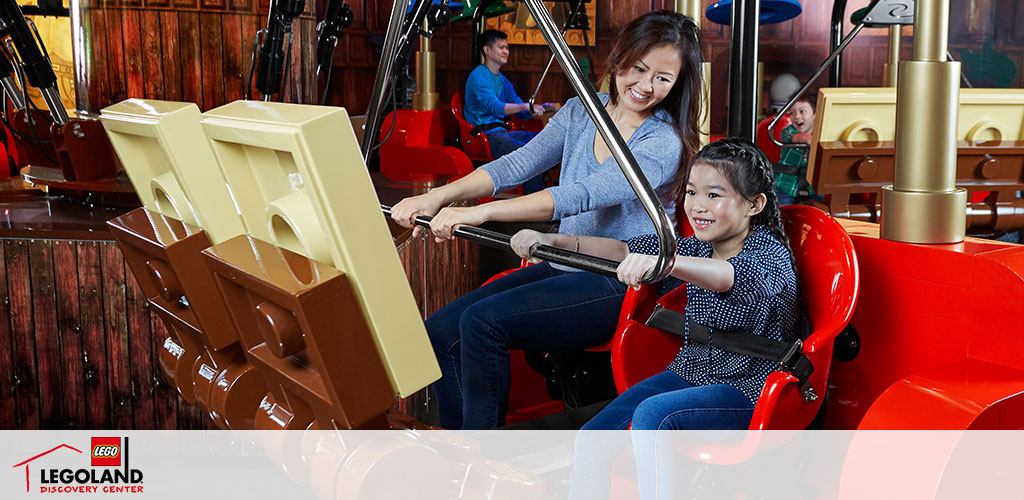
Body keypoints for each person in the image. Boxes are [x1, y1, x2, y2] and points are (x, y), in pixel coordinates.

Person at [390, 10, 705, 430]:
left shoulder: (660, 140)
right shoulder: (580, 113)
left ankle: (480, 459)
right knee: (441, 332)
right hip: (565, 263)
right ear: (620, 59)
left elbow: (579, 196)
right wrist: (441, 195)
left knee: (482, 325)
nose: (646, 86)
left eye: (663, 78)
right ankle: (455, 455)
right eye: (639, 68)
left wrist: (479, 211)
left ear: (678, 82)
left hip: (618, 281)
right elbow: (516, 164)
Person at [514, 138, 800, 432]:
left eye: (713, 195)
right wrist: (555, 240)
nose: (698, 206)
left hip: (755, 386)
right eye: (691, 192)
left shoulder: (769, 254)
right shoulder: (699, 248)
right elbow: (623, 250)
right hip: (692, 371)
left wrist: (666, 264)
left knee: (654, 414)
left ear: (754, 204)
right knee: (592, 435)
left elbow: (731, 276)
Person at [773, 93, 818, 206]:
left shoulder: (822, 134)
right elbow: (800, 138)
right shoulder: (788, 131)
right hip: (786, 185)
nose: (796, 116)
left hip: (812, 187)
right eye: (792, 113)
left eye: (802, 111)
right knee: (782, 214)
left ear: (815, 115)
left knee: (820, 209)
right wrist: (812, 141)